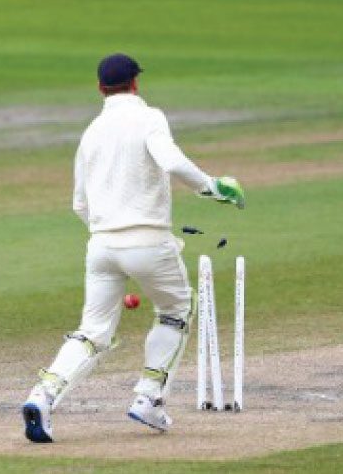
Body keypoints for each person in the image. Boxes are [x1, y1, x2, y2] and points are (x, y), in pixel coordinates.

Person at [21, 53, 244, 442]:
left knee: (93, 331)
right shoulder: (149, 117)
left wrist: (109, 233)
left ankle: (43, 395)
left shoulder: (91, 131)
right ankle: (149, 397)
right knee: (177, 310)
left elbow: (79, 202)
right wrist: (213, 187)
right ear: (136, 84)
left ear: (100, 88)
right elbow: (171, 162)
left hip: (101, 245)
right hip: (149, 241)